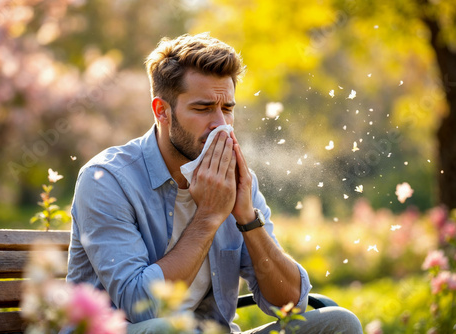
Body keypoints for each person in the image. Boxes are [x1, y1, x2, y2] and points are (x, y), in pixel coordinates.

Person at [66, 32, 362, 333]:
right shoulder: (106, 180)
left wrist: (247, 218)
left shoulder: (234, 179)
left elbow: (289, 305)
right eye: (203, 108)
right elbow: (142, 306)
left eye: (227, 109)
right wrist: (208, 215)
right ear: (162, 111)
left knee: (339, 323)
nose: (220, 124)